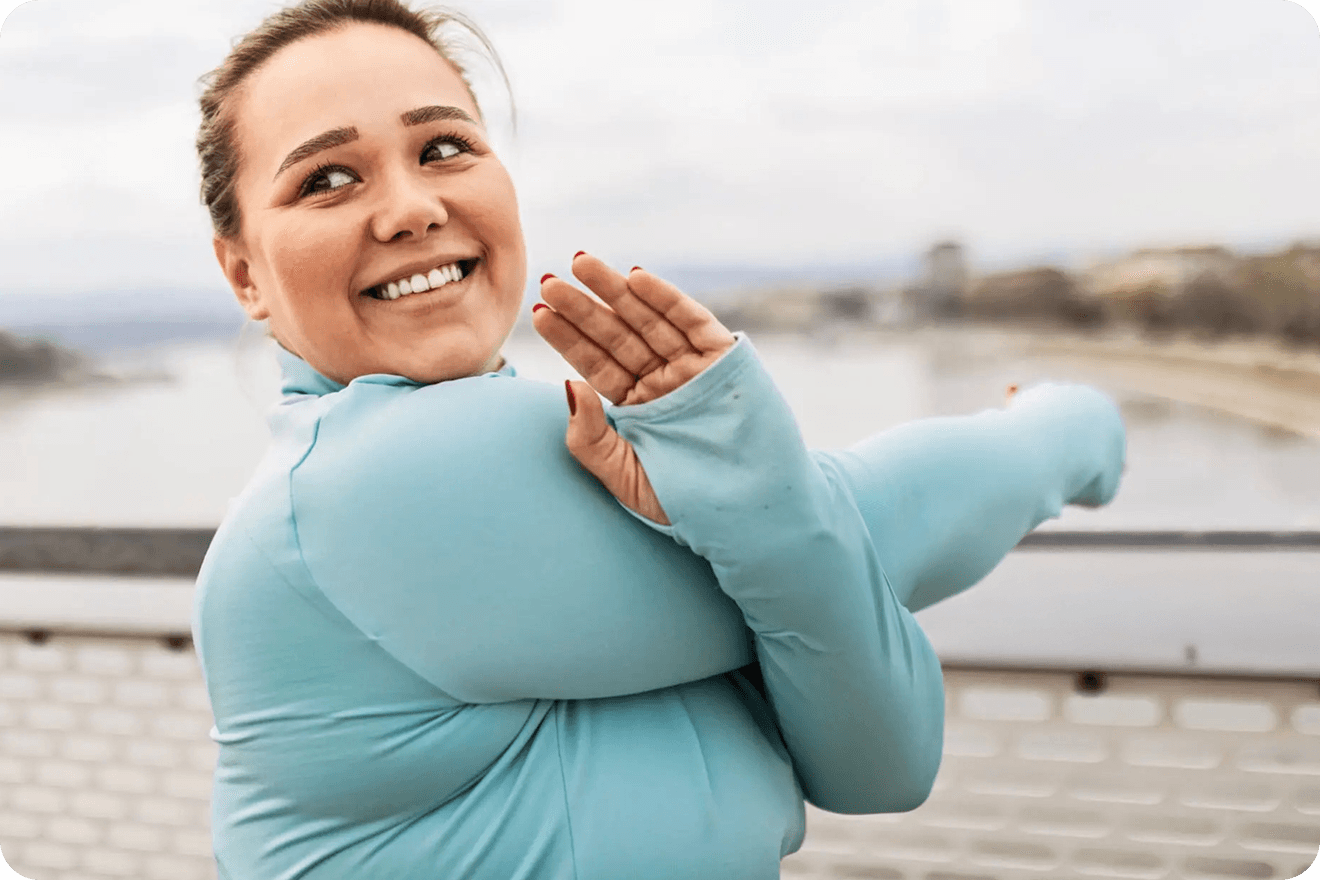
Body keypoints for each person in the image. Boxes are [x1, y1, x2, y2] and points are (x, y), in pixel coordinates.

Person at [190, 1, 1128, 878]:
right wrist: (1066, 427)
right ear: (246, 276)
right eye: (328, 179)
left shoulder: (550, 477)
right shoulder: (361, 480)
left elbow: (882, 766)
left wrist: (759, 509)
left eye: (443, 147)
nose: (410, 209)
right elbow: (872, 528)